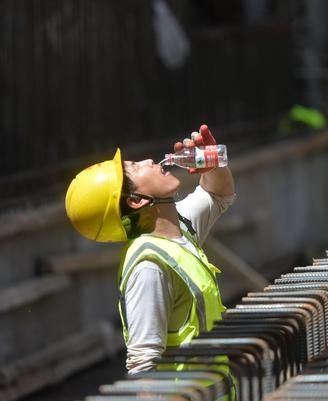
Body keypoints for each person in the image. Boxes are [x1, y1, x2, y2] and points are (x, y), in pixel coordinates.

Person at [65, 125, 235, 374]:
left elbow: (218, 194)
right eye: (135, 167)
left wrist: (212, 164)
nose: (148, 160)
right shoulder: (149, 267)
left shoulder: (178, 227)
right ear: (136, 200)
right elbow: (143, 365)